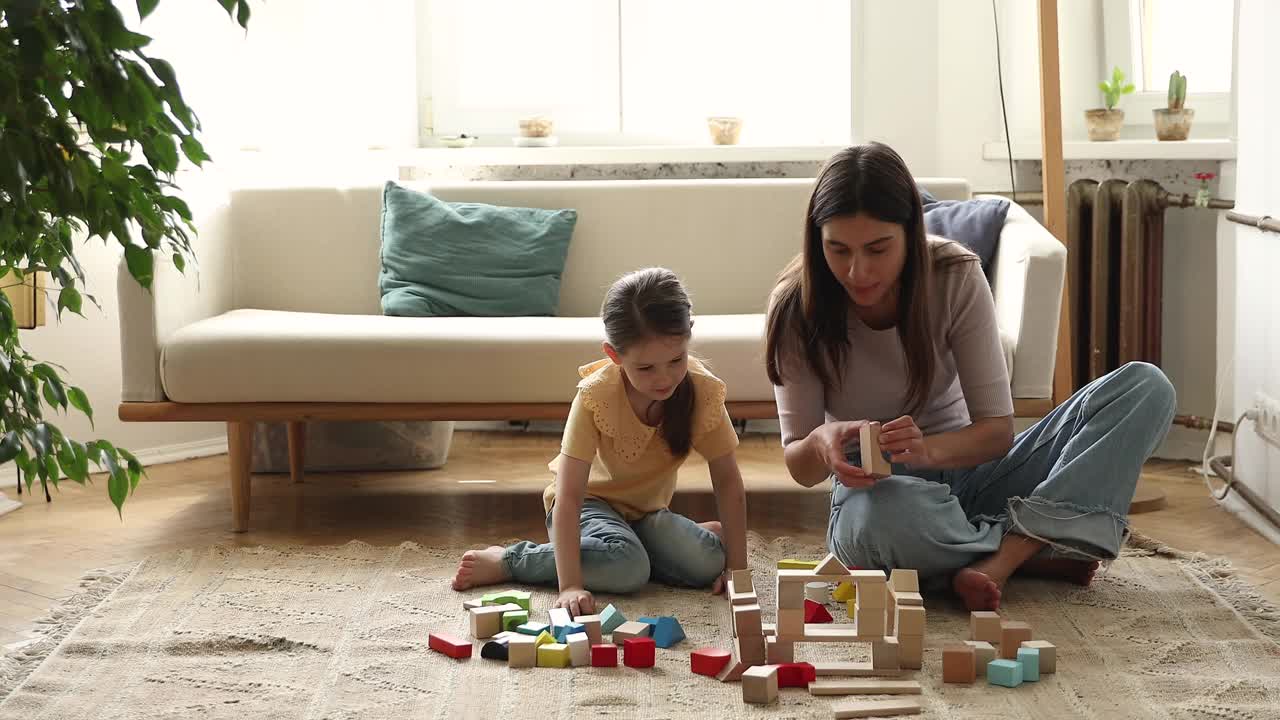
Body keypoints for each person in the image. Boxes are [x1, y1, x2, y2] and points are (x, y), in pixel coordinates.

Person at [764, 142, 1175, 610]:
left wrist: (929, 449)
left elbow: (997, 433)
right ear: (817, 241)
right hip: (883, 495)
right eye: (838, 250)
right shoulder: (796, 305)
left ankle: (1004, 556)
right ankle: (1042, 538)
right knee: (877, 524)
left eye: (878, 249)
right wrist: (821, 441)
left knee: (1146, 388)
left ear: (910, 233)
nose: (858, 271)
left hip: (976, 474)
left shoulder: (954, 273)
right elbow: (799, 465)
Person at [452, 267, 748, 617]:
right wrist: (571, 585)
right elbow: (570, 495)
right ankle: (510, 559)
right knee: (629, 568)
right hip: (589, 505)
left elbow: (727, 479)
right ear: (614, 355)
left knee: (710, 563)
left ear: (688, 339)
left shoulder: (702, 391)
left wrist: (738, 571)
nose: (664, 378)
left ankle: (667, 541)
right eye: (646, 368)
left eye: (676, 360)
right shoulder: (595, 397)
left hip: (648, 512)